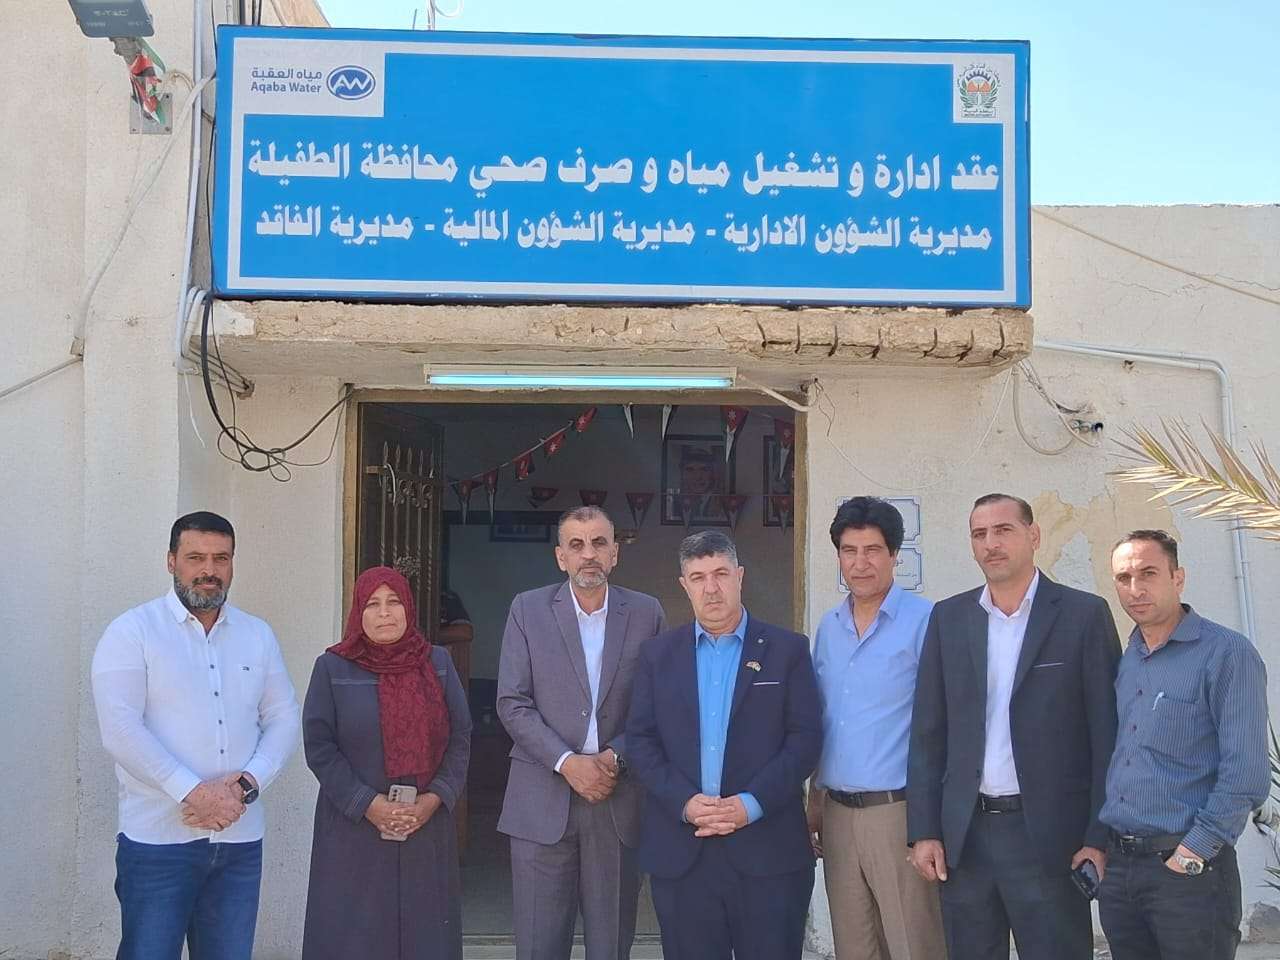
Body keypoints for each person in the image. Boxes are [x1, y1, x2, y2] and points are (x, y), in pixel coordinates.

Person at [906, 493, 1121, 960]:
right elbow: (928, 732)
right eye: (979, 534)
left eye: (1003, 530)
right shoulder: (949, 618)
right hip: (966, 837)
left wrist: (1097, 837)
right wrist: (924, 830)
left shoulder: (1083, 615)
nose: (991, 543)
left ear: (1034, 535)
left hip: (1050, 837)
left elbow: (1107, 735)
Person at [91, 511, 301, 960]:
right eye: (195, 557)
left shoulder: (257, 635)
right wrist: (195, 793)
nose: (209, 570)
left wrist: (245, 786)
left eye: (221, 558)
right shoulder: (132, 632)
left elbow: (283, 717)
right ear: (171, 561)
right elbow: (120, 729)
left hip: (238, 840)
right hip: (158, 843)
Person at [627, 530, 821, 960]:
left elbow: (805, 740)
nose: (711, 588)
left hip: (768, 851)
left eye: (720, 574)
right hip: (684, 851)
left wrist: (750, 804)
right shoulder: (657, 655)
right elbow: (641, 742)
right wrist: (685, 802)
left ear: (740, 576)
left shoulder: (787, 650)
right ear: (684, 585)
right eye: (698, 577)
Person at [496, 506, 666, 960]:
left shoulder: (646, 613)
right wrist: (567, 762)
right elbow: (512, 701)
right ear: (560, 557)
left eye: (599, 543)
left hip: (616, 797)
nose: (588, 554)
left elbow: (657, 705)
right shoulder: (527, 610)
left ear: (615, 553)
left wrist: (615, 756)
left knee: (610, 945)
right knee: (539, 945)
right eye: (576, 544)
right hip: (540, 798)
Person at [1098, 530, 1268, 960]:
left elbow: (1246, 773)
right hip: (1122, 871)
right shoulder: (1129, 658)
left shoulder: (1226, 653)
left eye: (1148, 573)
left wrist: (1193, 853)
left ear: (1178, 578)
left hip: (1189, 871)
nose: (1135, 589)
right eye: (1123, 578)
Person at [301, 565, 472, 960]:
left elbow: (460, 736)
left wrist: (433, 799)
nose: (384, 613)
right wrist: (369, 805)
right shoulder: (332, 668)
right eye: (372, 604)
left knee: (425, 936)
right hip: (354, 828)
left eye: (393, 602)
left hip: (424, 825)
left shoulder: (438, 663)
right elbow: (320, 747)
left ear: (408, 608)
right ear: (358, 611)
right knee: (355, 938)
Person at [808, 498, 945, 960]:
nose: (860, 563)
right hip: (837, 815)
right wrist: (815, 800)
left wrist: (929, 825)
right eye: (849, 551)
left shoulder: (926, 622)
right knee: (855, 948)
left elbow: (941, 725)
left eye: (872, 550)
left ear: (894, 555)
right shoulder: (829, 628)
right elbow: (823, 719)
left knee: (915, 946)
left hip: (899, 813)